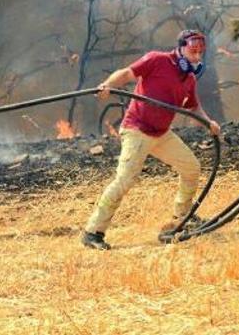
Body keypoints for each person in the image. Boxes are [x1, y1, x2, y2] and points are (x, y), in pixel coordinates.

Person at [81, 30, 221, 250]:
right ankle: (93, 232)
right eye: (193, 52)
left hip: (161, 133)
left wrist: (208, 122)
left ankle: (182, 217)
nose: (196, 58)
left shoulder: (190, 79)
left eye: (200, 54)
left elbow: (193, 107)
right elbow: (127, 73)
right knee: (125, 180)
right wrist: (107, 85)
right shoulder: (156, 60)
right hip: (137, 130)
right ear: (181, 48)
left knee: (192, 168)